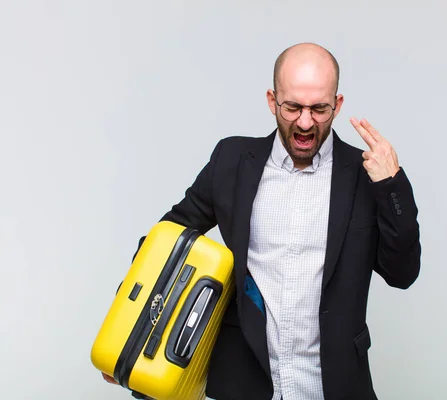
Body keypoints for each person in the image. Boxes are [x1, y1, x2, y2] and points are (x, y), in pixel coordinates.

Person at [104, 42, 421, 400]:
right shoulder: (232, 160)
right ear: (272, 101)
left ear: (338, 104)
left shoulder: (367, 176)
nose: (305, 122)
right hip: (243, 382)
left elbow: (402, 274)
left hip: (334, 385)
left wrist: (392, 186)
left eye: (319, 109)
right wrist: (131, 332)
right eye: (292, 107)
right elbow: (164, 243)